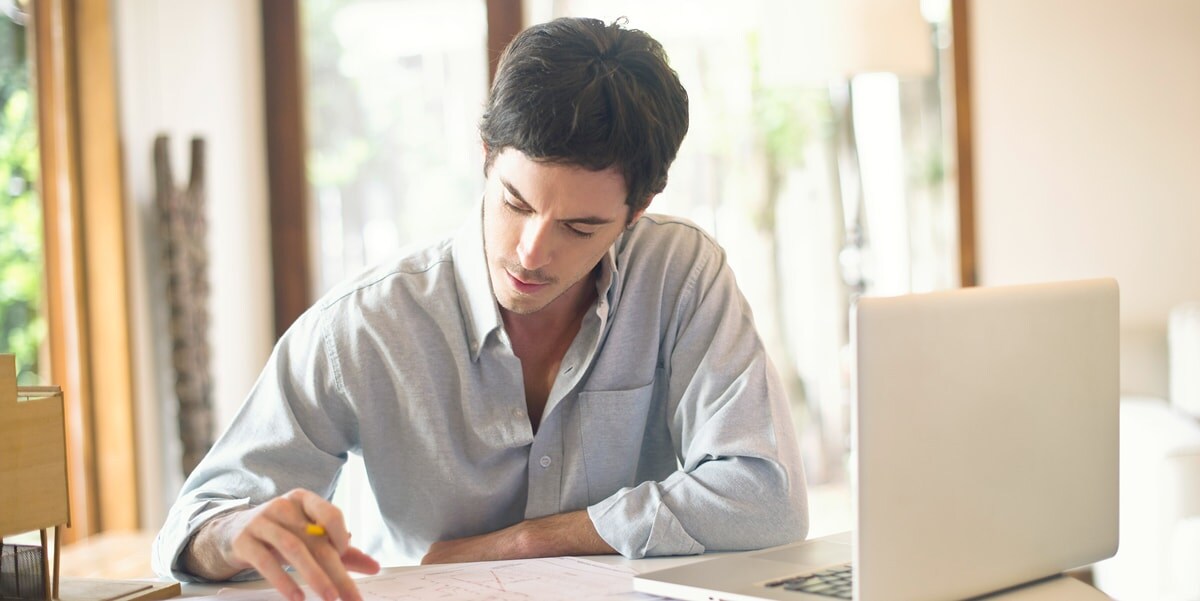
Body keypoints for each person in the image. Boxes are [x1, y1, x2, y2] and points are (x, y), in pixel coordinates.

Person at [152, 16, 808, 601]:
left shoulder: (680, 274)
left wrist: (525, 542)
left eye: (580, 228)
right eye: (516, 202)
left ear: (636, 211)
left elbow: (764, 496)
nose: (531, 252)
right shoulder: (365, 325)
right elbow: (196, 522)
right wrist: (239, 531)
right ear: (486, 157)